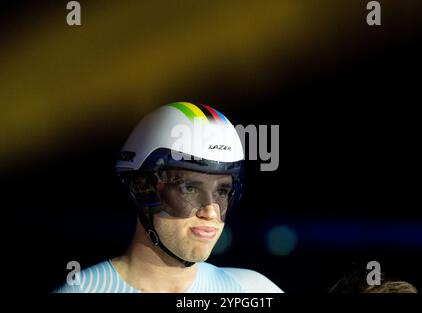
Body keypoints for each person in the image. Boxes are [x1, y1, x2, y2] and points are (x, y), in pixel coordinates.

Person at [55, 102, 283, 293]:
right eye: (190, 188)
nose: (211, 212)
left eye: (222, 191)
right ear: (142, 187)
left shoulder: (255, 290)